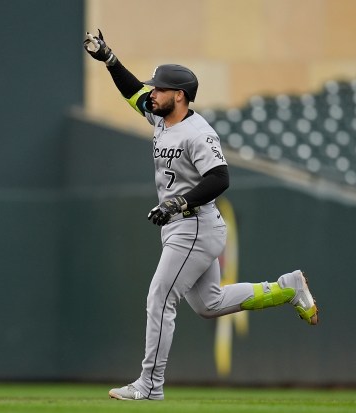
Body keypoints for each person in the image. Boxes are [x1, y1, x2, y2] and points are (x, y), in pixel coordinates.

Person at [83, 30, 319, 401]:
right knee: (208, 304)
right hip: (185, 226)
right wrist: (111, 60)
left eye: (159, 89)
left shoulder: (198, 132)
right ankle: (286, 288)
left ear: (179, 95)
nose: (152, 94)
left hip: (194, 225)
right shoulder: (162, 119)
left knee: (160, 298)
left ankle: (150, 385)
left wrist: (178, 204)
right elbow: (132, 92)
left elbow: (220, 178)